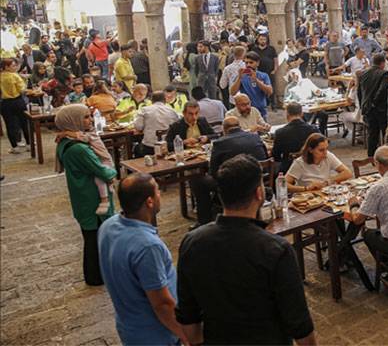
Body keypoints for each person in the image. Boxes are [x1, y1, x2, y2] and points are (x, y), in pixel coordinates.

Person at [176, 155, 316, 345]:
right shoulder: (275, 249)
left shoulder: (192, 242)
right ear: (259, 194)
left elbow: (187, 314)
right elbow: (298, 322)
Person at [98, 174, 188, 345]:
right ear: (149, 202)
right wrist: (184, 334)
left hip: (128, 325)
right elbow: (161, 303)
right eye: (157, 191)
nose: (160, 193)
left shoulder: (107, 227)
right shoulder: (147, 247)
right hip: (155, 334)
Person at [55, 105, 118, 286]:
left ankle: (97, 274)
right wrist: (111, 173)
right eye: (85, 118)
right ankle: (95, 276)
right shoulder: (79, 149)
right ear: (72, 121)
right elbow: (101, 170)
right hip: (91, 197)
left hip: (81, 196)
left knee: (91, 237)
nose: (89, 120)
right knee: (94, 239)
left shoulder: (65, 142)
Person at [191, 117, 268, 226]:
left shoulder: (220, 143)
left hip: (232, 183)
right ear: (240, 126)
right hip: (257, 179)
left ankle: (204, 220)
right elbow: (266, 156)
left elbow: (213, 172)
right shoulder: (255, 137)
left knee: (198, 182)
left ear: (224, 129)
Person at [284, 133, 352, 193]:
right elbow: (284, 184)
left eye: (326, 148)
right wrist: (306, 188)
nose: (325, 153)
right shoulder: (299, 163)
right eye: (321, 150)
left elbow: (348, 173)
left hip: (325, 193)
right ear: (310, 150)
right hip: (309, 196)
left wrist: (328, 181)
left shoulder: (328, 156)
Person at [358, 54, 388, 158]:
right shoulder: (384, 74)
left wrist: (362, 105)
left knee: (372, 133)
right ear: (382, 63)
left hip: (367, 107)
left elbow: (359, 92)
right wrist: (374, 102)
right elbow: (383, 90)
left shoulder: (363, 73)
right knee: (386, 132)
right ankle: (387, 156)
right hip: (380, 108)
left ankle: (371, 156)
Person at [273, 102, 320, 176]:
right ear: (302, 114)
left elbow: (276, 156)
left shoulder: (280, 132)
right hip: (311, 165)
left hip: (289, 168)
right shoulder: (313, 129)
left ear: (287, 114)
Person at [133, 91, 180, 156]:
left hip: (149, 147)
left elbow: (138, 126)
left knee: (136, 148)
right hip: (168, 147)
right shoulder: (172, 111)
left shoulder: (144, 110)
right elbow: (177, 126)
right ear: (165, 100)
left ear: (152, 100)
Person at [230, 51, 273, 118]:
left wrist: (256, 80)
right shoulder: (241, 76)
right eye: (246, 63)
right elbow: (232, 92)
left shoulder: (263, 75)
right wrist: (239, 78)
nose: (248, 65)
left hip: (261, 111)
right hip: (246, 111)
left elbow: (270, 91)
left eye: (251, 62)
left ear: (258, 63)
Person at [1, 58, 28, 153]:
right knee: (24, 122)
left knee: (9, 125)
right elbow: (22, 90)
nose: (15, 67)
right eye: (13, 65)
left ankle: (14, 147)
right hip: (18, 101)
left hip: (5, 103)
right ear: (6, 67)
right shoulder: (15, 76)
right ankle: (29, 144)